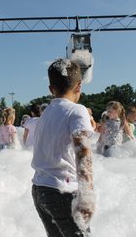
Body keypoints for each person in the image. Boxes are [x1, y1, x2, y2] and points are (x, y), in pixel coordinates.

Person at [31, 58, 95, 237]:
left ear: (51, 89)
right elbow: (83, 154)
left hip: (40, 189)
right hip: (63, 191)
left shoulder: (46, 114)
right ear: (79, 86)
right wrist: (87, 198)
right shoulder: (77, 110)